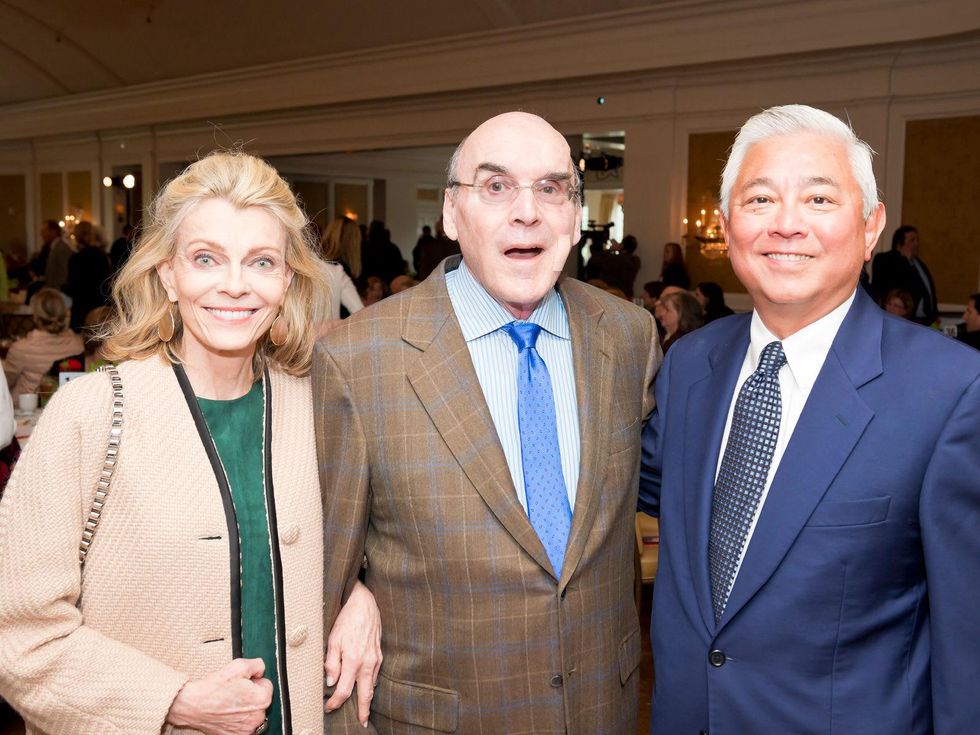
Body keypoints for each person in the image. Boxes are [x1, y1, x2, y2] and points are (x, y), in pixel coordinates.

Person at [0, 152, 381, 735]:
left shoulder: (319, 409)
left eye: (261, 262)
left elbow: (352, 540)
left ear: (288, 280)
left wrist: (359, 593)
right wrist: (170, 701)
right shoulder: (89, 416)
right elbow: (18, 634)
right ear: (166, 274)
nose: (235, 285)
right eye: (206, 259)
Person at [638, 104, 980, 734]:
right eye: (760, 199)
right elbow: (640, 488)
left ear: (871, 225)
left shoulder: (950, 390)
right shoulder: (691, 364)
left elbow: (968, 642)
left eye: (819, 200)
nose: (786, 225)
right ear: (726, 223)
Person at [317, 111, 660, 734]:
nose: (527, 212)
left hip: (601, 709)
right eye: (496, 186)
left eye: (551, 189)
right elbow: (323, 576)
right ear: (452, 214)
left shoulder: (629, 337)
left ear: (574, 216)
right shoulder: (356, 359)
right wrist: (352, 593)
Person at [3, 288, 84, 398]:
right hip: (67, 405)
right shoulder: (79, 344)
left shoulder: (21, 348)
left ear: (35, 317)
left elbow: (4, 383)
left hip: (28, 409)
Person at [871, 225, 938, 324]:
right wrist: (905, 260)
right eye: (912, 240)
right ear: (899, 243)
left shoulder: (919, 264)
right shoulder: (885, 259)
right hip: (899, 319)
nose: (917, 243)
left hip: (925, 321)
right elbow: (905, 284)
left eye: (917, 240)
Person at [64, 220, 112, 332]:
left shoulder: (75, 259)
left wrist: (64, 287)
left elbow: (73, 287)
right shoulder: (102, 257)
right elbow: (106, 283)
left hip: (80, 309)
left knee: (79, 344)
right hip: (99, 308)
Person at [319, 217, 365, 320]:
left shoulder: (315, 265)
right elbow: (358, 311)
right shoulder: (340, 272)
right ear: (354, 242)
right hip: (339, 330)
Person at [40, 219, 74, 292]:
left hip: (58, 292)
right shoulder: (52, 247)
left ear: (54, 231)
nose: (42, 234)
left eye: (44, 231)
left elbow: (65, 273)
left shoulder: (62, 248)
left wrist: (57, 290)